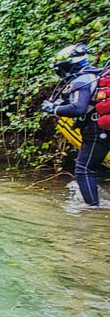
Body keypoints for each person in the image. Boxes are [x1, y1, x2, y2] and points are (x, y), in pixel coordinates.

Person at [41, 43, 108, 206]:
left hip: (97, 129)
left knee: (83, 168)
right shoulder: (95, 75)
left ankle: (93, 210)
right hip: (102, 125)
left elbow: (78, 108)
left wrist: (54, 109)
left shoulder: (81, 80)